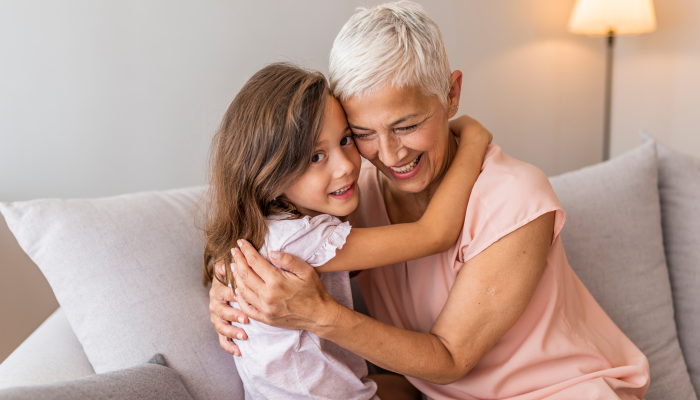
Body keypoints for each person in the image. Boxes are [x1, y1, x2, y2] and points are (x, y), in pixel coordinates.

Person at [210, 2, 651, 399]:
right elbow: (267, 239)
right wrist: (228, 284)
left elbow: (450, 358)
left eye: (406, 125)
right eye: (362, 134)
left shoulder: (516, 198)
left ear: (452, 94)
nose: (389, 154)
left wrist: (318, 315)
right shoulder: (348, 197)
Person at [200, 62, 490, 399]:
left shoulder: (264, 229)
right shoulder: (301, 239)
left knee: (410, 389)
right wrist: (472, 138)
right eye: (316, 157)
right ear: (269, 174)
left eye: (346, 139)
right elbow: (435, 233)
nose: (346, 166)